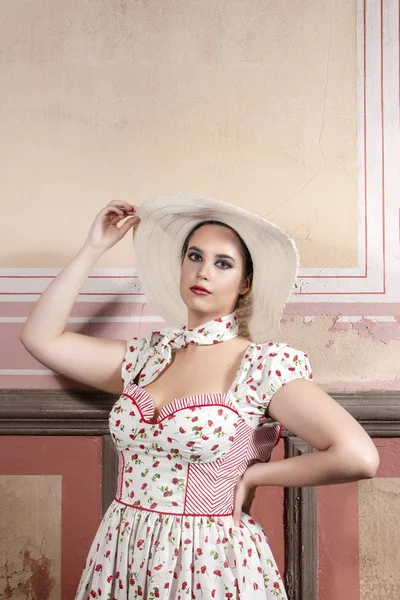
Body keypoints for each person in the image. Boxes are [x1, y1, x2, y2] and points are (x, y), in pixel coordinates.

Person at [19, 193, 380, 599]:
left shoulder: (260, 367)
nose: (204, 271)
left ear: (244, 283)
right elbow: (40, 338)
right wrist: (93, 249)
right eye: (194, 256)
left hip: (207, 562)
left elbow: (359, 456)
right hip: (121, 549)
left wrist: (256, 476)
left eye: (222, 263)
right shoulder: (147, 357)